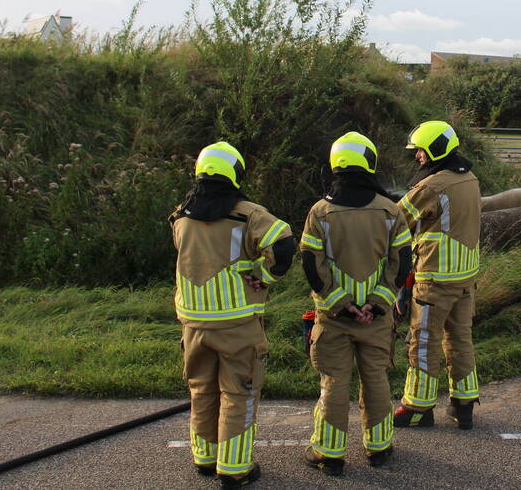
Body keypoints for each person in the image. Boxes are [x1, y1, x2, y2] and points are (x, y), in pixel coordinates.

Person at [170, 141, 295, 488]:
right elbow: (284, 244)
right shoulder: (247, 213)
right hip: (237, 323)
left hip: (193, 323)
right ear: (235, 173)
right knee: (239, 393)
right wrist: (264, 275)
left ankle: (205, 459)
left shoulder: (181, 214)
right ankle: (235, 468)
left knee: (201, 389)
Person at [300, 132, 412, 476]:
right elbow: (402, 263)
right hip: (375, 319)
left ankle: (328, 455)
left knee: (334, 382)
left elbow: (311, 265)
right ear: (370, 162)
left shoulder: (320, 212)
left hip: (334, 318)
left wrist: (340, 304)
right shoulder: (391, 211)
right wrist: (376, 305)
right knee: (375, 378)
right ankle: (379, 449)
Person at [392, 121, 482, 430]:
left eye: (420, 150)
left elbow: (395, 220)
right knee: (460, 338)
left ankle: (417, 405)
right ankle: (464, 404)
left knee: (423, 341)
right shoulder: (469, 178)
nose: (417, 156)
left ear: (435, 150)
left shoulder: (433, 186)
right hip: (465, 276)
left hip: (436, 278)